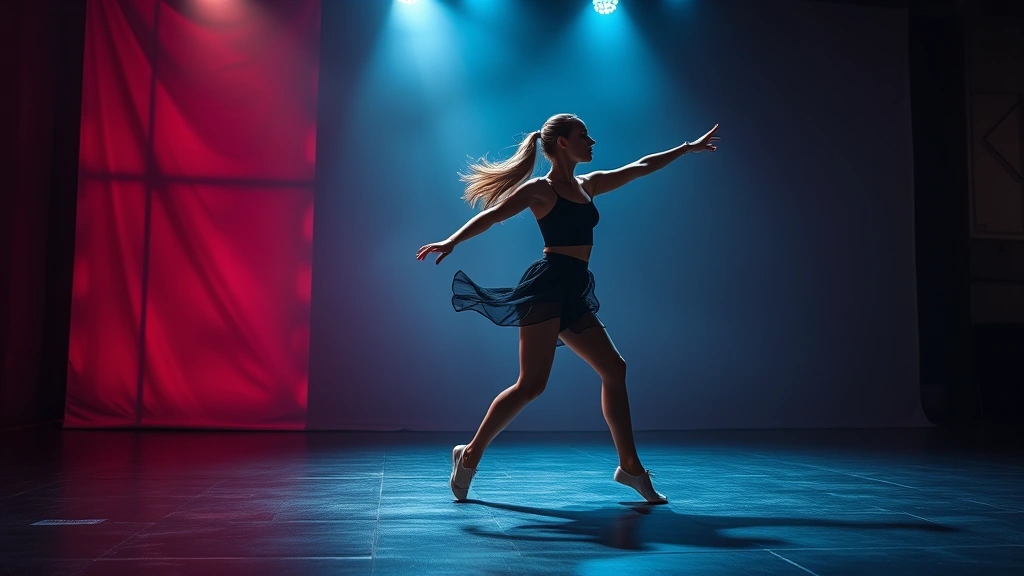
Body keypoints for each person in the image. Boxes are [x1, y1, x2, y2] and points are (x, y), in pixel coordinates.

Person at [416, 113, 720, 504]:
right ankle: (469, 455)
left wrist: (687, 148)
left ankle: (630, 467)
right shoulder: (540, 190)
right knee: (532, 384)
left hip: (574, 287)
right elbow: (492, 216)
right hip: (547, 286)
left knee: (614, 368)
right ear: (562, 142)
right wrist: (451, 241)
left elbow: (640, 167)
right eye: (583, 135)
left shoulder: (588, 185)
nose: (591, 141)